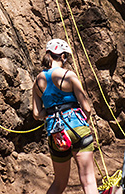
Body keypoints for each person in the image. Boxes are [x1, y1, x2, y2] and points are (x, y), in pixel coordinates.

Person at [32, 39, 99, 194]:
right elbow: (87, 108)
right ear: (62, 56)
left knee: (59, 183)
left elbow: (37, 114)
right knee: (88, 180)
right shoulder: (69, 76)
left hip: (56, 133)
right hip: (77, 127)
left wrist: (51, 111)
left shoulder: (38, 81)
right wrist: (83, 121)